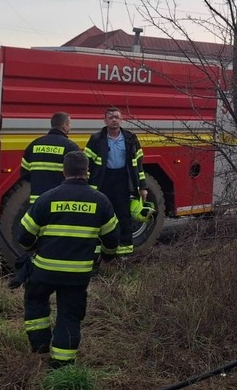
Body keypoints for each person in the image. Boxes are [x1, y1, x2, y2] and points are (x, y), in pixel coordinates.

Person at [19, 150, 119, 369]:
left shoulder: (47, 198)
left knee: (35, 301)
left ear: (64, 171)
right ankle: (62, 367)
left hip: (45, 270)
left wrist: (31, 248)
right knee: (69, 316)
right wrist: (108, 257)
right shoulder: (100, 201)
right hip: (77, 274)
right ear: (87, 171)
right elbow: (112, 239)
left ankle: (40, 347)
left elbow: (24, 235)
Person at [84, 106, 151, 257]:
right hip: (103, 181)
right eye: (110, 117)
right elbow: (87, 163)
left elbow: (138, 165)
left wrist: (142, 186)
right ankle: (101, 253)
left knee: (123, 215)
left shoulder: (130, 138)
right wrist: (86, 186)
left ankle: (124, 253)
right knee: (102, 215)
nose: (114, 120)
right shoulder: (96, 139)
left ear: (121, 120)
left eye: (116, 117)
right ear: (105, 120)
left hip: (122, 180)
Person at [21, 112, 82, 202]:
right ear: (64, 125)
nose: (70, 127)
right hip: (59, 201)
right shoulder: (71, 147)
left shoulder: (34, 144)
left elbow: (25, 173)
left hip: (37, 201)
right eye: (69, 124)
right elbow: (78, 176)